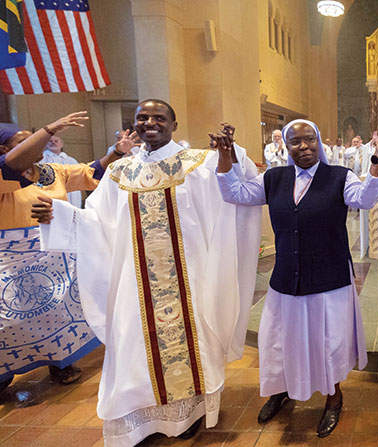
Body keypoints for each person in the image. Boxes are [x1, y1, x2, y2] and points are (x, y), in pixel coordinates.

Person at [32, 99, 261, 446]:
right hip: (134, 283)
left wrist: (231, 154)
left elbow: (237, 186)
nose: (149, 122)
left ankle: (188, 415)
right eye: (142, 117)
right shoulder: (118, 172)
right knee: (133, 347)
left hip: (190, 277)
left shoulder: (197, 163)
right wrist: (59, 216)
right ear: (134, 124)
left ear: (174, 124)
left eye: (159, 117)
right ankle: (141, 420)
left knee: (192, 344)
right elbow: (97, 221)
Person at [216, 119, 378, 438]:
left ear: (319, 142)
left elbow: (365, 199)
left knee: (328, 341)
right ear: (286, 148)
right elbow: (235, 192)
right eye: (296, 142)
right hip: (287, 276)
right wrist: (225, 155)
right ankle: (282, 390)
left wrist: (376, 161)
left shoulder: (338, 177)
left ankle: (333, 397)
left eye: (309, 140)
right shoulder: (274, 178)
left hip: (329, 278)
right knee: (281, 341)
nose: (304, 147)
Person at [0, 112, 132, 394]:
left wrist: (116, 153)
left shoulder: (51, 172)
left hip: (53, 260)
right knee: (9, 319)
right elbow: (11, 167)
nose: (40, 148)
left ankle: (60, 363)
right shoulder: (3, 177)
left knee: (58, 312)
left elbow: (90, 173)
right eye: (30, 144)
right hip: (12, 262)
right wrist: (48, 129)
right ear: (4, 150)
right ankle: (4, 371)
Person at [42, 135, 82, 207]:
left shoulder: (71, 160)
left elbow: (79, 175)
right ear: (46, 144)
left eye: (56, 141)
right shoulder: (42, 159)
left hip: (71, 191)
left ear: (61, 144)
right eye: (50, 141)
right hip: (51, 190)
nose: (53, 143)